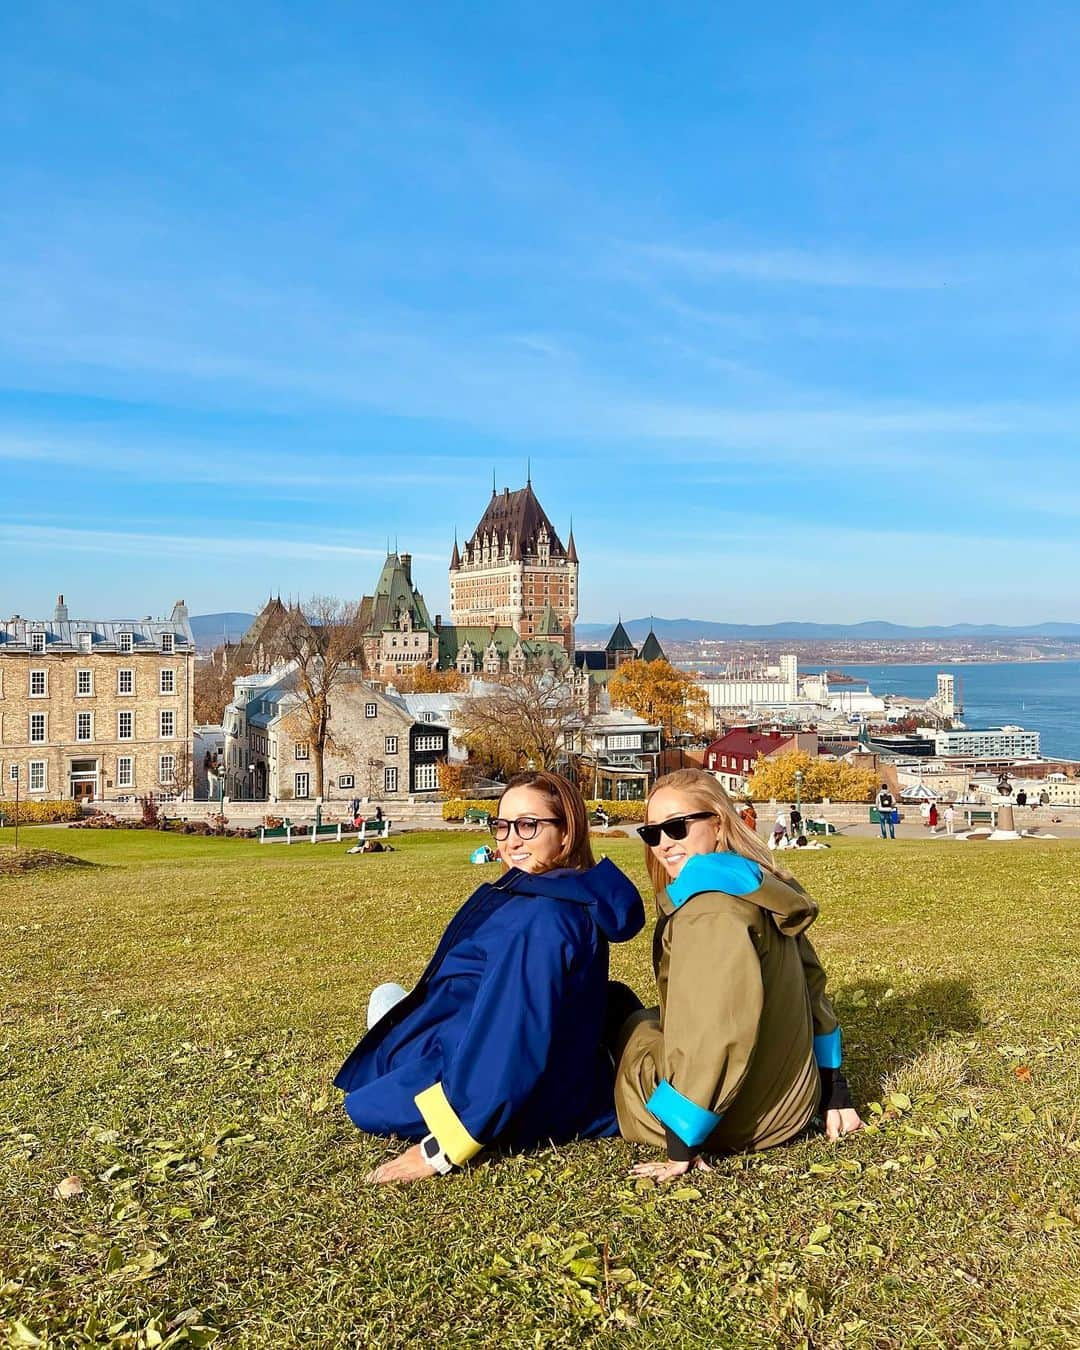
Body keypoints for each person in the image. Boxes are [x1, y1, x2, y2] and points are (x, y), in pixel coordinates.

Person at [335, 770, 645, 1184]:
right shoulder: (561, 896)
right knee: (389, 1000)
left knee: (365, 1099)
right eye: (503, 825)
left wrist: (442, 1147)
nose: (511, 840)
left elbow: (510, 1040)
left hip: (510, 1080)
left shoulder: (542, 919)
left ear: (567, 834)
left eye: (528, 825)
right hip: (509, 1047)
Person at [613, 769, 861, 1182]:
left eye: (676, 827)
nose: (663, 844)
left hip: (742, 1121)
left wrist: (681, 1146)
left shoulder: (709, 911)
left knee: (625, 1023)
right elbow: (812, 984)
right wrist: (834, 1091)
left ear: (718, 822)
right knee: (648, 1019)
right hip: (792, 1101)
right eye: (652, 832)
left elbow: (718, 1033)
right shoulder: (759, 887)